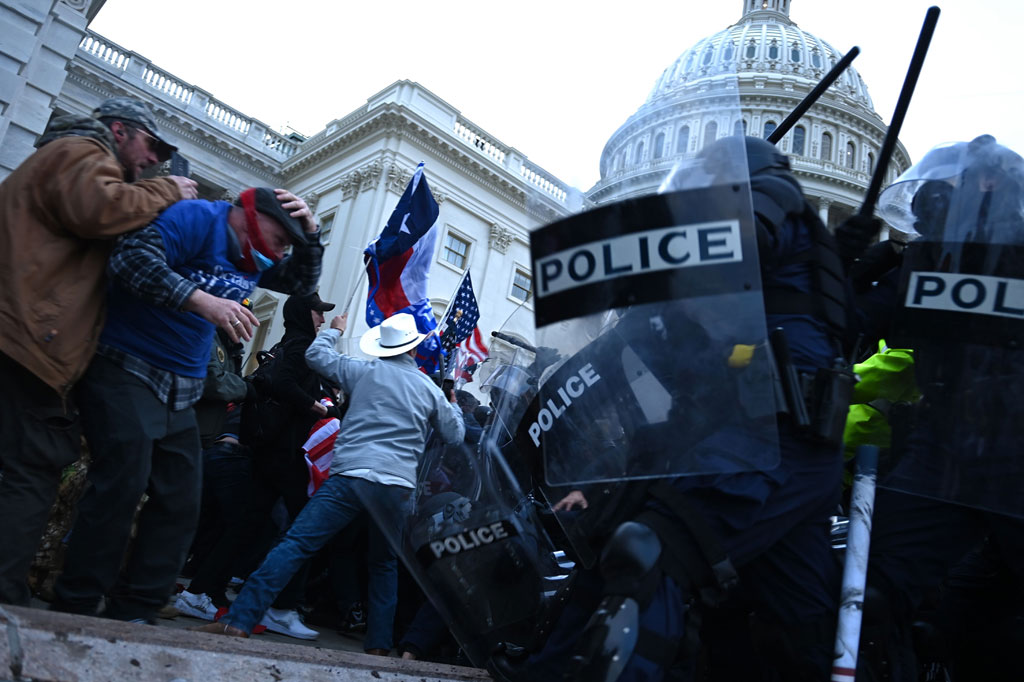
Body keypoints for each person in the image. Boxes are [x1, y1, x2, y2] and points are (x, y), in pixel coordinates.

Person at [506, 137, 851, 682]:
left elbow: (737, 245)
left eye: (701, 177)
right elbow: (633, 348)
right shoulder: (774, 266)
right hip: (769, 442)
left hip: (775, 435)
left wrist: (648, 260)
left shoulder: (770, 191)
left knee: (653, 553)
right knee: (787, 630)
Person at [49, 186, 323, 624]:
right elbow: (130, 261)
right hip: (126, 365)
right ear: (250, 216)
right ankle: (75, 606)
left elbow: (302, 283)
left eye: (292, 240)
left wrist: (312, 234)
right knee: (122, 482)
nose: (285, 247)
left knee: (179, 498)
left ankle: (135, 609)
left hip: (183, 384)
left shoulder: (260, 259)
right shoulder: (197, 219)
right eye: (282, 235)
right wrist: (203, 301)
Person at [0, 97, 197, 607]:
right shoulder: (83, 151)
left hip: (23, 333)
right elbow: (101, 209)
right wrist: (167, 190)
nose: (155, 159)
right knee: (31, 469)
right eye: (152, 146)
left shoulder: (66, 156)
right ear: (119, 130)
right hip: (26, 339)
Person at [195, 311, 464, 656]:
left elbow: (316, 356)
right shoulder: (428, 388)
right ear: (413, 349)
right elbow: (454, 434)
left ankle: (239, 621)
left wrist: (333, 332)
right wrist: (452, 405)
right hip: (396, 485)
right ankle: (379, 647)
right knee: (383, 565)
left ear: (385, 345)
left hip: (351, 475)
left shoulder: (363, 371)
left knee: (295, 544)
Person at [858, 135, 1024, 681]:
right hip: (944, 452)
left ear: (987, 180)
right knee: (873, 591)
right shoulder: (929, 260)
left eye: (943, 183)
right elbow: (848, 317)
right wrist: (853, 260)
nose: (929, 194)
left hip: (1017, 452)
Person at [178, 292, 340, 639]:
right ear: (302, 314)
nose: (322, 320)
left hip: (271, 449)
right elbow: (282, 384)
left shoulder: (287, 343)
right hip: (283, 452)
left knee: (248, 523)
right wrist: (315, 406)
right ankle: (281, 606)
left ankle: (199, 592)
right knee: (304, 527)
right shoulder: (301, 345)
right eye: (318, 314)